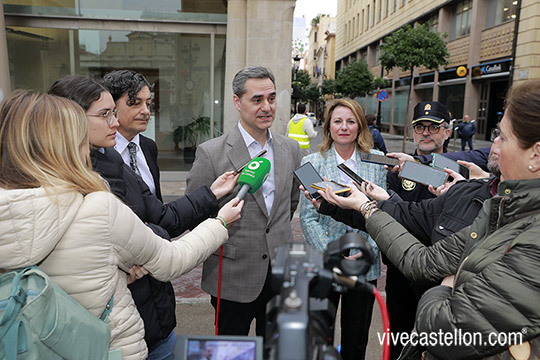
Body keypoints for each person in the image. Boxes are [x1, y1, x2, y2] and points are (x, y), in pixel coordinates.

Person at [0, 90, 244, 360]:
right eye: (80, 135)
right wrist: (220, 223)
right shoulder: (97, 207)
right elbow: (171, 259)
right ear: (62, 144)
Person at [315, 80, 540, 359]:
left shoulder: (463, 179)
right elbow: (407, 216)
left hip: (441, 310)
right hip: (401, 274)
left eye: (502, 137)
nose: (493, 146)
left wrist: (444, 287)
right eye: (420, 127)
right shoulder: (468, 190)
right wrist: (347, 205)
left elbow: (445, 323)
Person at [186, 66, 302, 336]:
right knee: (230, 351)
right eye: (257, 99)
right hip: (232, 277)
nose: (267, 107)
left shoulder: (291, 149)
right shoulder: (211, 153)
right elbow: (196, 215)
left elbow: (288, 204)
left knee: (275, 351)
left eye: (272, 99)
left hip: (280, 274)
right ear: (237, 102)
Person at [299, 99, 387, 360]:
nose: (344, 127)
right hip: (325, 263)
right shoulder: (310, 162)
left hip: (365, 265)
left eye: (351, 121)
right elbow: (308, 217)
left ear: (360, 126)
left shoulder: (377, 161)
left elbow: (383, 214)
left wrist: (366, 250)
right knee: (319, 336)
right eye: (338, 121)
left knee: (356, 337)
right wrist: (332, 252)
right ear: (328, 127)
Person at [102, 70, 162, 200]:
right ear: (111, 106)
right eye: (135, 103)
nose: (146, 111)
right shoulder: (99, 150)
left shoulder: (149, 146)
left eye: (148, 104)